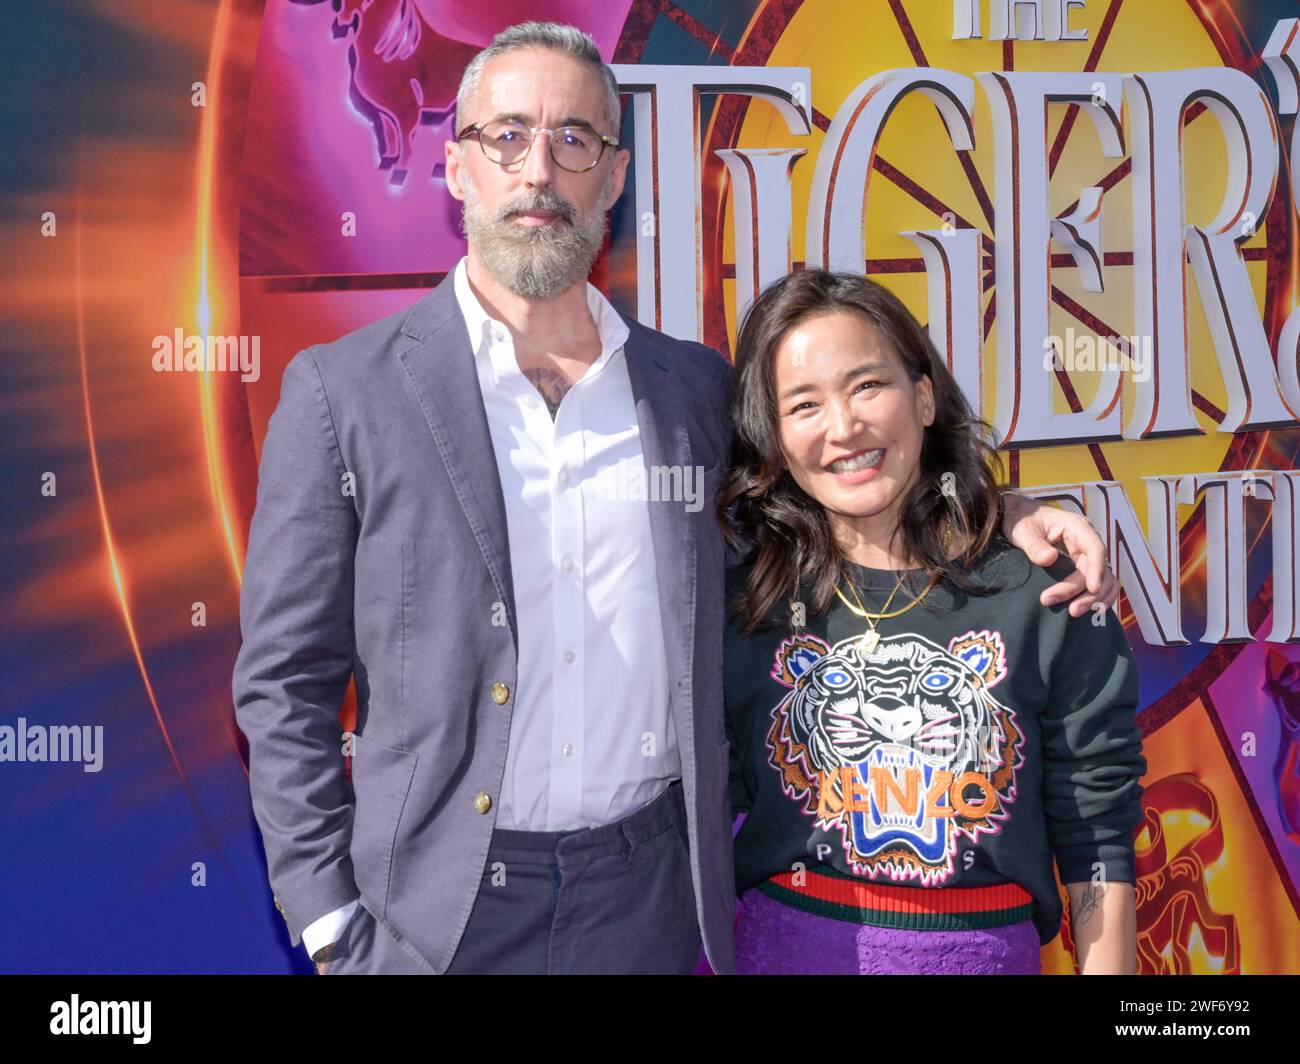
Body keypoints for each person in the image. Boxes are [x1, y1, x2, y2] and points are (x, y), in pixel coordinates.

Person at [232, 20, 1118, 976]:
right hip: (435, 916)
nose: (541, 170)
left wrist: (1006, 512)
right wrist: (330, 924)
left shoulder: (692, 392)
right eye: (509, 136)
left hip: (650, 908)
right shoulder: (344, 392)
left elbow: (845, 484)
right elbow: (284, 682)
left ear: (612, 180)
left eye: (575, 140)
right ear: (457, 169)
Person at [719, 269, 1146, 975]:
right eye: (803, 404)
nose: (844, 426)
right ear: (775, 440)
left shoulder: (1044, 593)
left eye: (867, 386)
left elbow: (1096, 828)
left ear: (922, 397)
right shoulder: (743, 603)